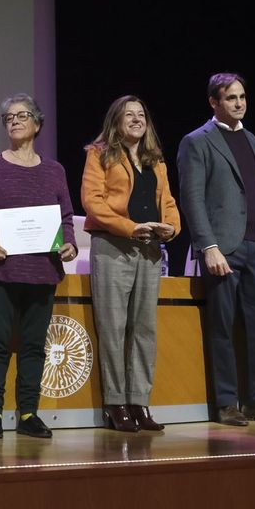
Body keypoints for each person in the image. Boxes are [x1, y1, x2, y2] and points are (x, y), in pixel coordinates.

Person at [178, 73, 255, 427]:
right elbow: (193, 198)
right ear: (214, 102)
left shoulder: (252, 139)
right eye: (231, 98)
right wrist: (208, 247)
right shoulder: (197, 141)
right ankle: (227, 402)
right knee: (223, 327)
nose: (239, 103)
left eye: (242, 97)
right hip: (223, 247)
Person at [0, 94, 78, 439]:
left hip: (42, 272)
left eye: (21, 115)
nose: (13, 121)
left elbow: (66, 218)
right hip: (1, 272)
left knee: (33, 347)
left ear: (37, 124)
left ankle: (28, 413)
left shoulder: (54, 170)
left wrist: (69, 243)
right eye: (8, 118)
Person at [80, 95, 180, 432]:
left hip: (150, 249)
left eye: (141, 114)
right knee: (113, 328)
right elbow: (92, 202)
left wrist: (171, 228)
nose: (136, 119)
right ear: (116, 121)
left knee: (144, 329)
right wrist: (129, 227)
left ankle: (139, 402)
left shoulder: (156, 160)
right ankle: (115, 403)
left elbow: (168, 202)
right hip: (113, 245)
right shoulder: (100, 153)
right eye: (128, 115)